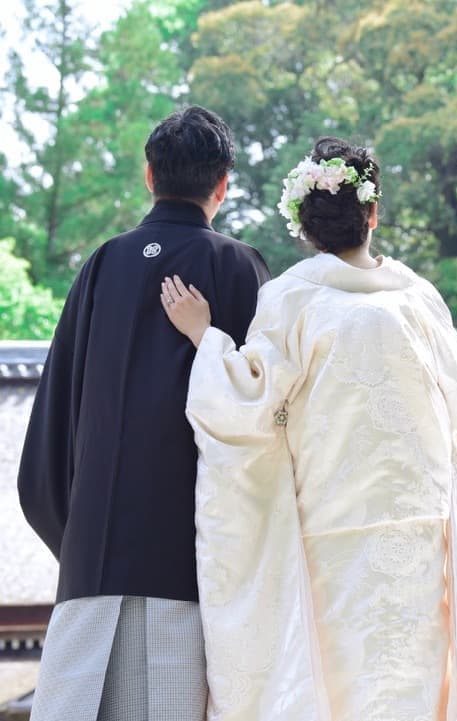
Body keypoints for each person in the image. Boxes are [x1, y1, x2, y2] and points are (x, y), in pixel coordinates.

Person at [160, 137, 457, 721]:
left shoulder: (292, 300)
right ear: (373, 214)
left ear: (304, 226)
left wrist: (205, 339)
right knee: (413, 681)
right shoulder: (418, 300)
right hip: (417, 535)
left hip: (332, 533)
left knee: (339, 686)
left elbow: (250, 403)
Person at [17, 106, 271, 721]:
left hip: (90, 569)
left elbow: (49, 441)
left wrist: (82, 542)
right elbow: (264, 421)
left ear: (149, 177)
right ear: (223, 185)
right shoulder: (241, 268)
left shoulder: (103, 264)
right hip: (190, 572)